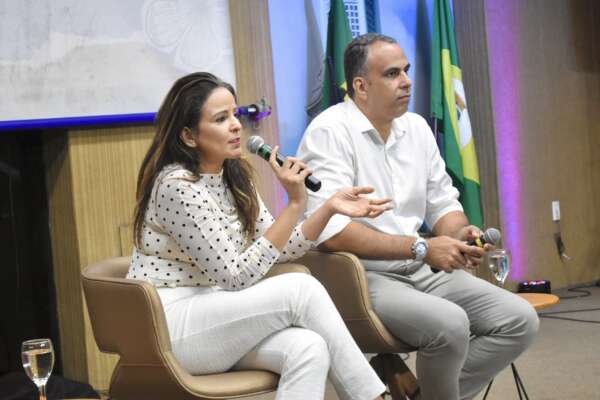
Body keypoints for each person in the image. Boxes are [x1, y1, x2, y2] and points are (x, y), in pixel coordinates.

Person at [296, 33, 539, 400]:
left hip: (422, 267)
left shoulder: (417, 127)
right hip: (362, 276)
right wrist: (422, 248)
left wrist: (460, 233)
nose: (407, 81)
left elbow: (443, 203)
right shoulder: (329, 132)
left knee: (520, 320)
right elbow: (332, 232)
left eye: (406, 70)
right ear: (361, 86)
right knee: (450, 325)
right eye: (392, 74)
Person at [126, 72, 391, 400]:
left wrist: (327, 208)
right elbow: (235, 276)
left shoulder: (233, 176)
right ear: (189, 136)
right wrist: (294, 205)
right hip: (170, 326)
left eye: (235, 114)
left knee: (309, 347)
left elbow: (279, 248)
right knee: (301, 288)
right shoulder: (177, 186)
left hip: (217, 313)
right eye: (221, 119)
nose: (236, 126)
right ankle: (374, 397)